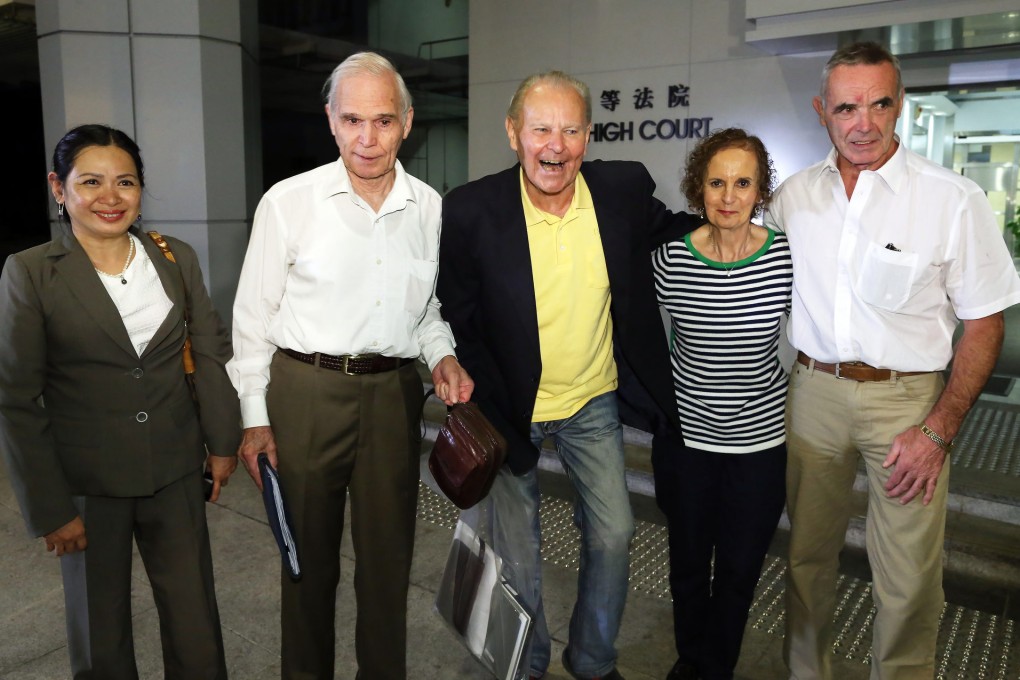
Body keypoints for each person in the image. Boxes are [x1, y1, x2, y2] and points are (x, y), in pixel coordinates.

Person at [764, 41, 1020, 679]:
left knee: (907, 577)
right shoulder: (793, 199)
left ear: (900, 105)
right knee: (806, 561)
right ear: (823, 112)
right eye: (847, 108)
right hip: (813, 394)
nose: (865, 123)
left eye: (880, 104)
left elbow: (985, 321)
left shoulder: (950, 198)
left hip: (907, 404)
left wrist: (942, 426)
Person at [437, 70, 693, 680]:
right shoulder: (473, 209)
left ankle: (594, 660)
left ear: (588, 134)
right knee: (519, 558)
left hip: (591, 399)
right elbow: (457, 309)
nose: (556, 145)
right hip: (507, 405)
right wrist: (459, 373)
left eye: (571, 129)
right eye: (541, 129)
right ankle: (527, 667)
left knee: (614, 533)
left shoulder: (621, 189)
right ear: (513, 133)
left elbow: (673, 229)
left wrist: (741, 225)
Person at [227, 51, 472, 680]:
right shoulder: (289, 202)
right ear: (332, 121)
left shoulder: (428, 207)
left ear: (408, 122)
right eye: (354, 119)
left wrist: (441, 354)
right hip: (304, 393)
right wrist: (255, 421)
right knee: (306, 561)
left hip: (393, 396)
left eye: (383, 121)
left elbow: (427, 308)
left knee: (389, 562)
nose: (368, 138)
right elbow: (252, 321)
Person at [0, 124, 240, 679]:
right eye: (91, 182)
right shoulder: (32, 272)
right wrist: (50, 508)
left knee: (194, 620)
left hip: (176, 469)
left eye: (125, 182)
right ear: (59, 189)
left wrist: (221, 442)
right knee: (99, 631)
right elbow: (15, 398)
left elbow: (209, 353)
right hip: (87, 484)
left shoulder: (174, 257)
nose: (111, 197)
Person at [652, 128, 791, 680]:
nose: (728, 196)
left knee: (738, 571)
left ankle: (715, 669)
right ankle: (692, 661)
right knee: (687, 565)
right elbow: (639, 332)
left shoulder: (784, 257)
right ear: (698, 188)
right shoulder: (669, 261)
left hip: (760, 446)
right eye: (716, 182)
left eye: (742, 183)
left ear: (760, 191)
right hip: (688, 445)